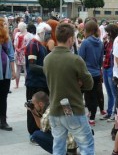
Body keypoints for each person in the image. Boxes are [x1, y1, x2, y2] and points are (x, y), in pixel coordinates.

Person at [43, 23, 94, 154]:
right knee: (86, 144)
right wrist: (79, 82)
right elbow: (89, 84)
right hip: (73, 109)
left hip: (55, 109)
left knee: (58, 146)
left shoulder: (47, 59)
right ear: (70, 39)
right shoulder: (75, 59)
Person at [25, 24, 51, 137]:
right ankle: (33, 132)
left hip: (41, 82)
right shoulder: (33, 45)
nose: (49, 36)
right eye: (47, 33)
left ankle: (41, 131)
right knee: (33, 108)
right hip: (34, 83)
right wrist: (47, 69)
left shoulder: (40, 45)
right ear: (41, 32)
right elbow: (32, 66)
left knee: (42, 108)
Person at [78, 21, 104, 126]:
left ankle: (91, 116)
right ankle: (93, 115)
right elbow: (100, 60)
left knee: (88, 96)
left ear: (87, 30)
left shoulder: (85, 42)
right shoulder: (100, 43)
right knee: (95, 94)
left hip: (87, 73)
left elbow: (80, 59)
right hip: (97, 72)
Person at [0, 17, 16, 131]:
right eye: (4, 24)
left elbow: (11, 55)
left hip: (5, 73)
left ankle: (3, 121)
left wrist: (13, 71)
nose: (6, 26)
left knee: (4, 96)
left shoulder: (7, 39)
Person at [101, 24, 118, 122]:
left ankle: (114, 113)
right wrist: (104, 42)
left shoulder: (116, 43)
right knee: (108, 92)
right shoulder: (108, 42)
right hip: (106, 67)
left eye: (107, 32)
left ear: (111, 32)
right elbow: (104, 53)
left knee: (113, 93)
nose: (106, 34)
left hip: (111, 69)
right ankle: (109, 112)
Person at [13, 21, 33, 88]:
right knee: (20, 69)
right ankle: (18, 84)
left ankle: (25, 84)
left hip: (23, 53)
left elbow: (29, 44)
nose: (19, 28)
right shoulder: (18, 34)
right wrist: (18, 48)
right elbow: (15, 43)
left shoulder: (28, 35)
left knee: (24, 69)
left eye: (20, 27)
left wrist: (19, 49)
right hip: (19, 53)